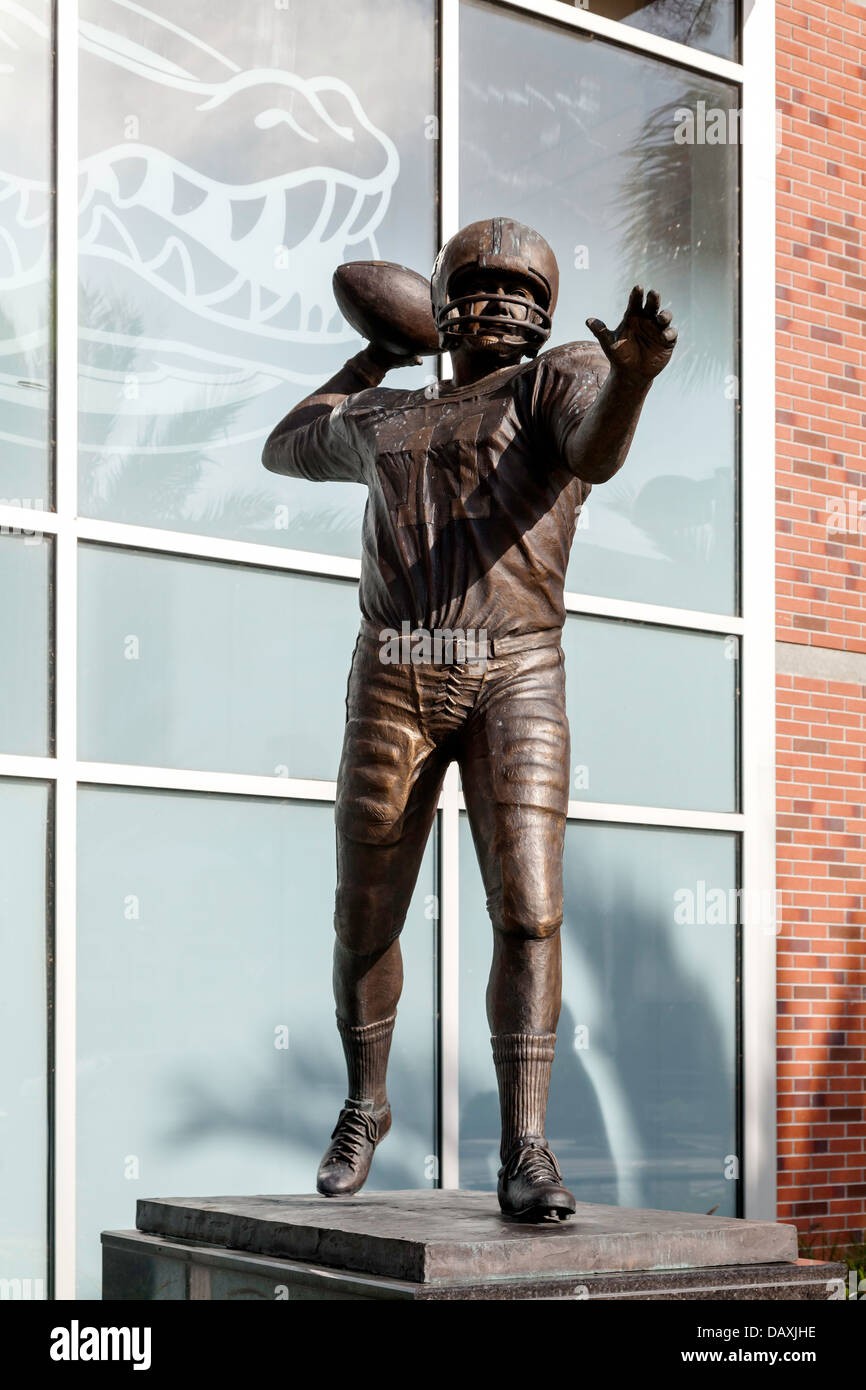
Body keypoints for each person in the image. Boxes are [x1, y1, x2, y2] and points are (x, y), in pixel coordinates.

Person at [262, 218, 677, 1221]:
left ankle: (523, 1145)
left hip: (513, 670)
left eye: (521, 295)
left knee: (527, 907)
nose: (501, 305)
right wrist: (373, 353)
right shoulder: (385, 414)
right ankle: (364, 1103)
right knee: (366, 906)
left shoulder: (556, 383)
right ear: (440, 308)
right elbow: (283, 449)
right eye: (478, 290)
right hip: (395, 668)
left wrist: (629, 378)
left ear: (544, 319)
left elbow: (597, 452)